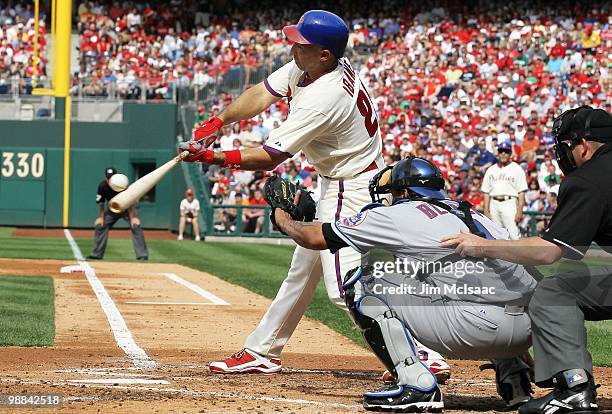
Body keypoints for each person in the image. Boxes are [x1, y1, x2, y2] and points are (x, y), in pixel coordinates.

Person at [178, 10, 450, 379]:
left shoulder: (324, 95)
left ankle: (421, 354)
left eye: (301, 43)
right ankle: (263, 349)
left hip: (348, 188)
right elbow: (261, 93)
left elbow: (270, 158)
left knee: (345, 288)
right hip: (348, 180)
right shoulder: (314, 67)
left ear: (323, 54)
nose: (293, 46)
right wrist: (218, 122)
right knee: (301, 272)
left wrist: (213, 157)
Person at [271, 157, 536, 411]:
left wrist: (283, 218)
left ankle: (416, 384)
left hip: (474, 329)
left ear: (405, 192)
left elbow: (316, 238)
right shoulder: (472, 213)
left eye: (393, 192)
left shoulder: (399, 212)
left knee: (363, 281)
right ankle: (516, 381)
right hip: (525, 332)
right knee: (469, 282)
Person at [441, 106, 612, 414]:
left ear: (583, 145)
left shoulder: (589, 178)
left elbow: (550, 251)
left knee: (553, 291)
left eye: (566, 146)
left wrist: (482, 246)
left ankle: (574, 389)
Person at [87, 167, 148, 261]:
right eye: (108, 177)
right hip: (113, 209)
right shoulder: (102, 186)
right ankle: (96, 254)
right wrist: (101, 218)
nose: (109, 179)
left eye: (111, 177)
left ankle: (142, 255)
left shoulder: (122, 184)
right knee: (101, 225)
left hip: (128, 208)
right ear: (105, 178)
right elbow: (101, 203)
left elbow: (131, 201)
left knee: (135, 226)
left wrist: (133, 218)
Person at [481, 143, 528, 240]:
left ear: (510, 153)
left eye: (506, 151)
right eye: (501, 151)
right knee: (496, 235)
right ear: (497, 153)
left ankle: (517, 255)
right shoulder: (491, 170)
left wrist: (519, 211)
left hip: (509, 203)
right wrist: (486, 210)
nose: (503, 153)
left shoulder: (517, 169)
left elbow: (521, 193)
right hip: (493, 204)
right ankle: (499, 256)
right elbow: (486, 192)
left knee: (513, 234)